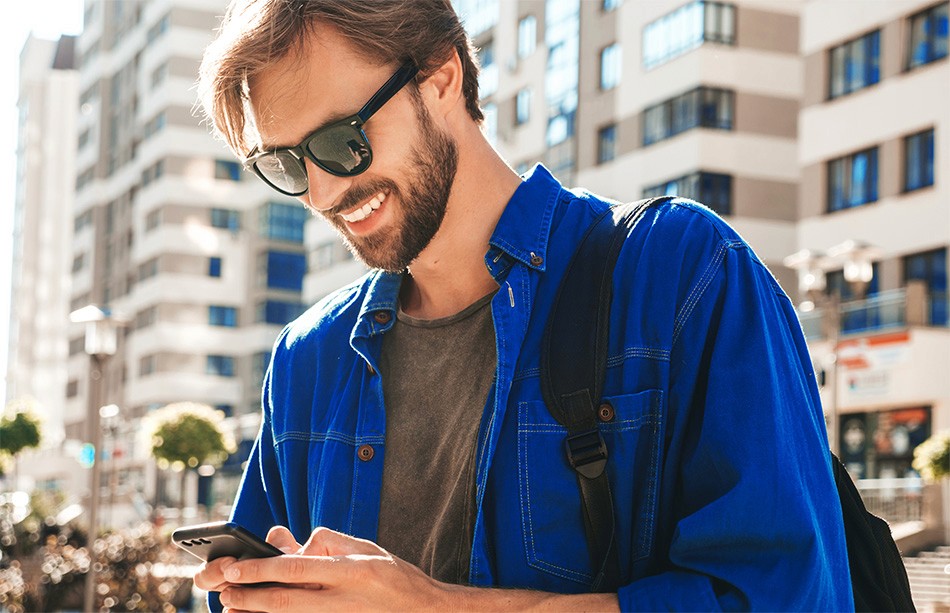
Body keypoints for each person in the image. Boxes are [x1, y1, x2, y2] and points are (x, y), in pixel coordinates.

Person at [193, 1, 853, 610]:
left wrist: (434, 604)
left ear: (440, 76)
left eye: (342, 141)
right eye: (287, 165)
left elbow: (784, 595)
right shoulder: (307, 360)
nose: (324, 191)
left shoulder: (683, 273)